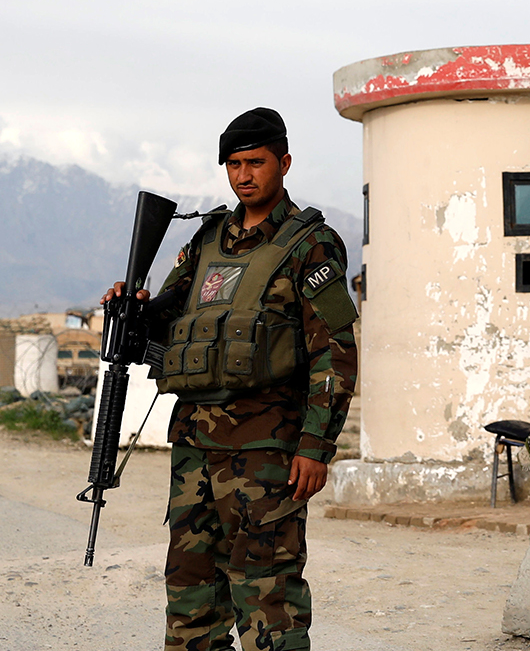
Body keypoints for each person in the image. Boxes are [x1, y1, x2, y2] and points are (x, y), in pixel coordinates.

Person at [103, 107, 359, 651]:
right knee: (190, 595)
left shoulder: (310, 244)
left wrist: (315, 446)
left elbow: (334, 352)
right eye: (234, 165)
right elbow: (172, 321)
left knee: (268, 595)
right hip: (194, 444)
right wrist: (132, 308)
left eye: (256, 163)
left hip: (266, 448)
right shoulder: (205, 240)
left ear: (284, 163)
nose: (244, 175)